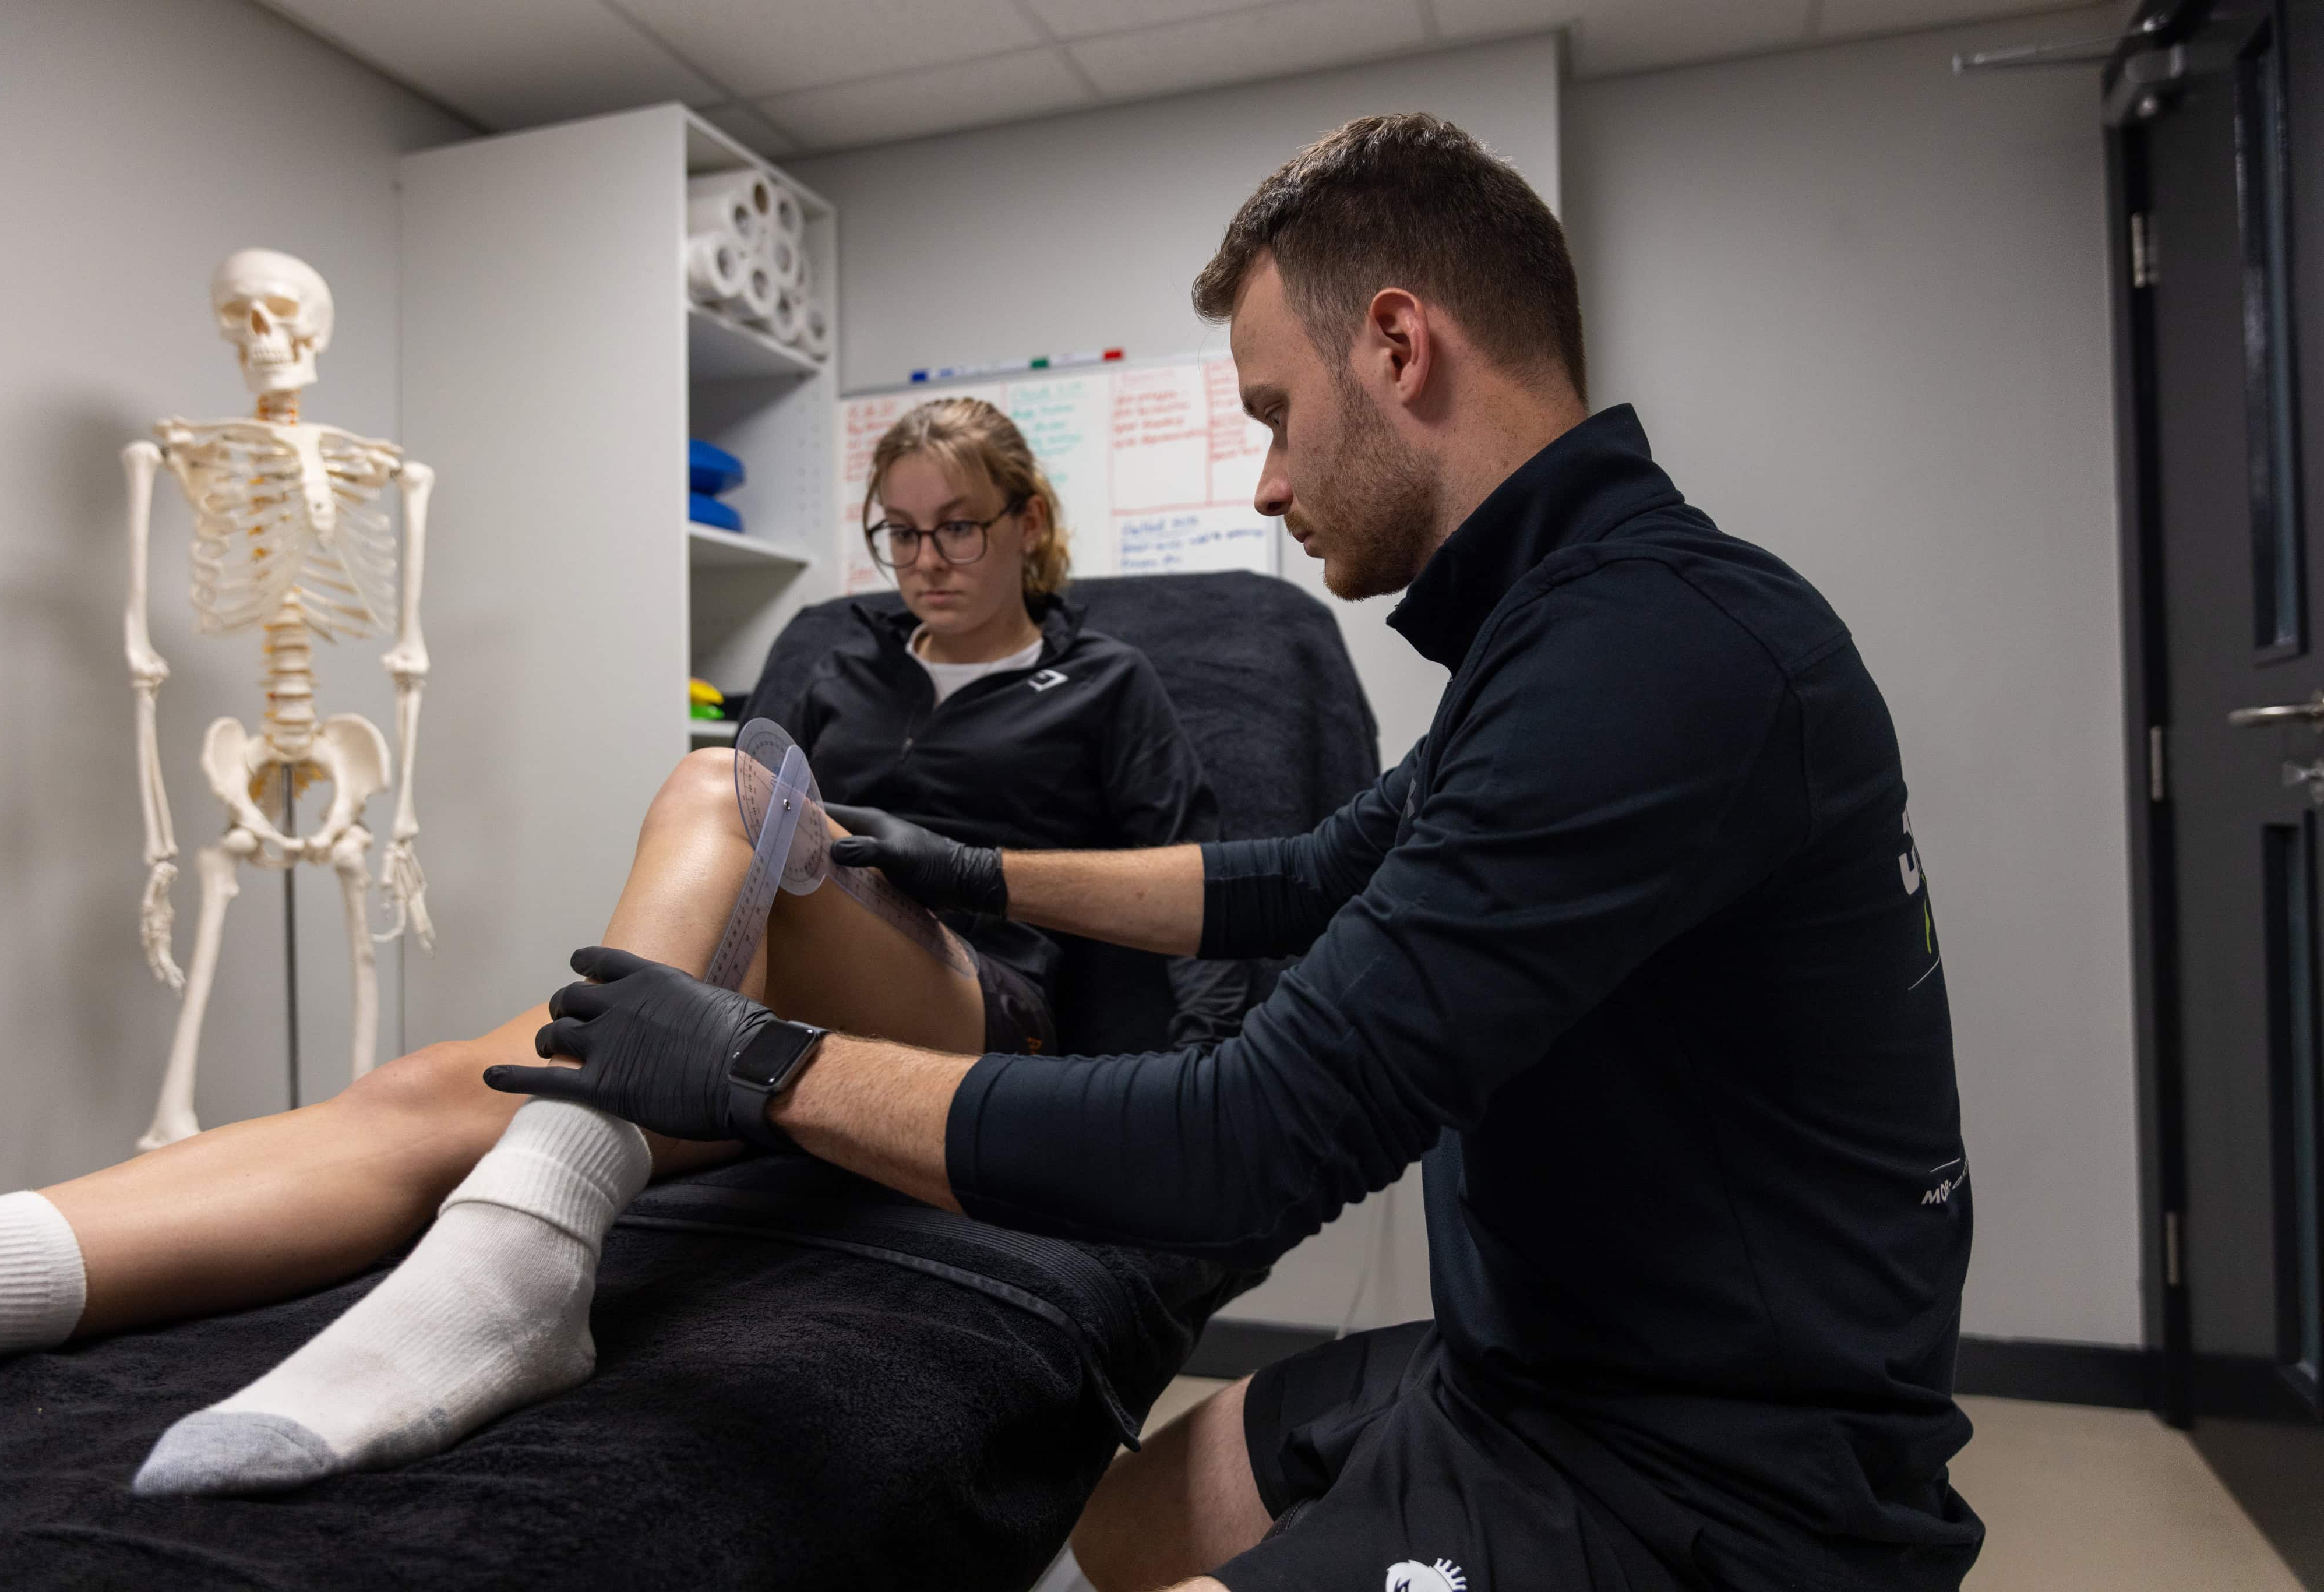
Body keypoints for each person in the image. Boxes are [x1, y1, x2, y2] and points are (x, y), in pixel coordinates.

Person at [483, 114, 1984, 1592]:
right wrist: (974, 870)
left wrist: (762, 1064)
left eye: (1271, 411)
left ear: (1398, 348)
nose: (1266, 481)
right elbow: (1312, 870)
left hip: (1703, 1478)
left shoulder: (1648, 658)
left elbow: (1246, 1137)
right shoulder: (1565, 633)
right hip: (1530, 1362)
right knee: (1090, 1537)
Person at [0, 400, 1238, 1484]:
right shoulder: (842, 660)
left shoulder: (1109, 682)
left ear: (1025, 524)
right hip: (776, 998)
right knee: (434, 1091)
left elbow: (1190, 884)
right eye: (896, 531)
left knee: (712, 783)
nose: (925, 558)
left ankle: (521, 1263)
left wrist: (1197, 1100)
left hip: (972, 998)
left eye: (957, 526)